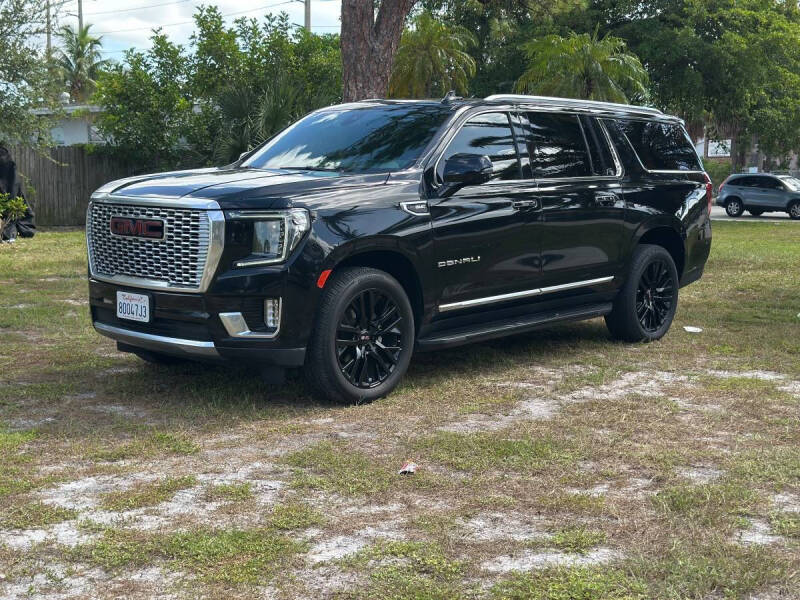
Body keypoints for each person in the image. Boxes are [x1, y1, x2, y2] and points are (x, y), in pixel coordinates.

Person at [0, 146, 36, 241]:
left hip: (10, 183)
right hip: (10, 183)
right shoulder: (5, 155)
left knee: (11, 200)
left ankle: (10, 232)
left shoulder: (3, 155)